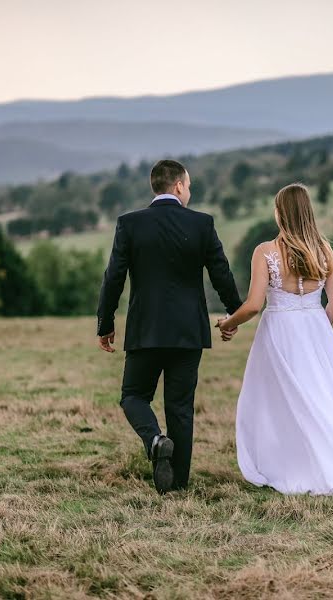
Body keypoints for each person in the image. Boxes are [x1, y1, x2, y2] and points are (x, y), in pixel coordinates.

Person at [216, 183, 333, 501]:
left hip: (278, 332)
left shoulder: (265, 252)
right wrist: (317, 331)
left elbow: (253, 305)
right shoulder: (325, 251)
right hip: (316, 332)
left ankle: (295, 465)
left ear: (280, 212)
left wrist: (227, 323)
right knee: (324, 399)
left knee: (276, 401)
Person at [96, 159, 242, 494]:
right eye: (188, 186)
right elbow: (222, 274)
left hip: (145, 329)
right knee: (180, 407)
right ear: (178, 186)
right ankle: (176, 485)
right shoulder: (202, 224)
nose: (189, 191)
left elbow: (113, 278)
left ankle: (155, 439)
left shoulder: (130, 224)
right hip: (189, 332)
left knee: (133, 395)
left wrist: (105, 323)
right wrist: (234, 314)